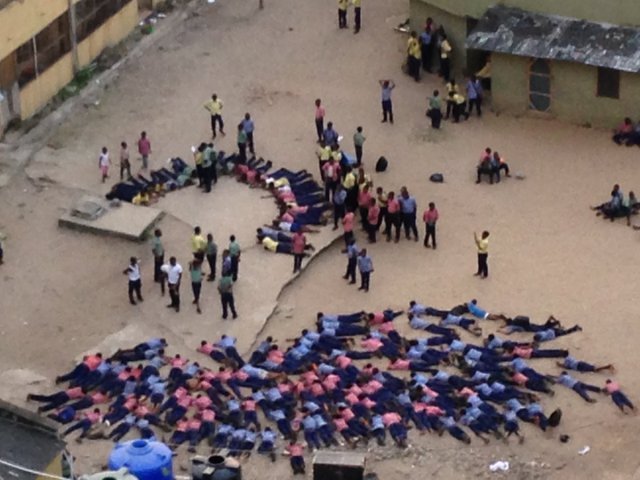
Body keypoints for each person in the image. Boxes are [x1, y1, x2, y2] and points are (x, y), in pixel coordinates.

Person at [151, 229, 165, 295]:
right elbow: (153, 249)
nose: (161, 233)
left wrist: (163, 250)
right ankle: (157, 278)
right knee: (157, 267)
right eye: (160, 232)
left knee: (161, 266)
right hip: (158, 255)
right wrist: (156, 256)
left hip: (161, 254)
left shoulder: (158, 239)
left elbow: (160, 246)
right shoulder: (154, 240)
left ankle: (161, 276)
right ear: (157, 233)